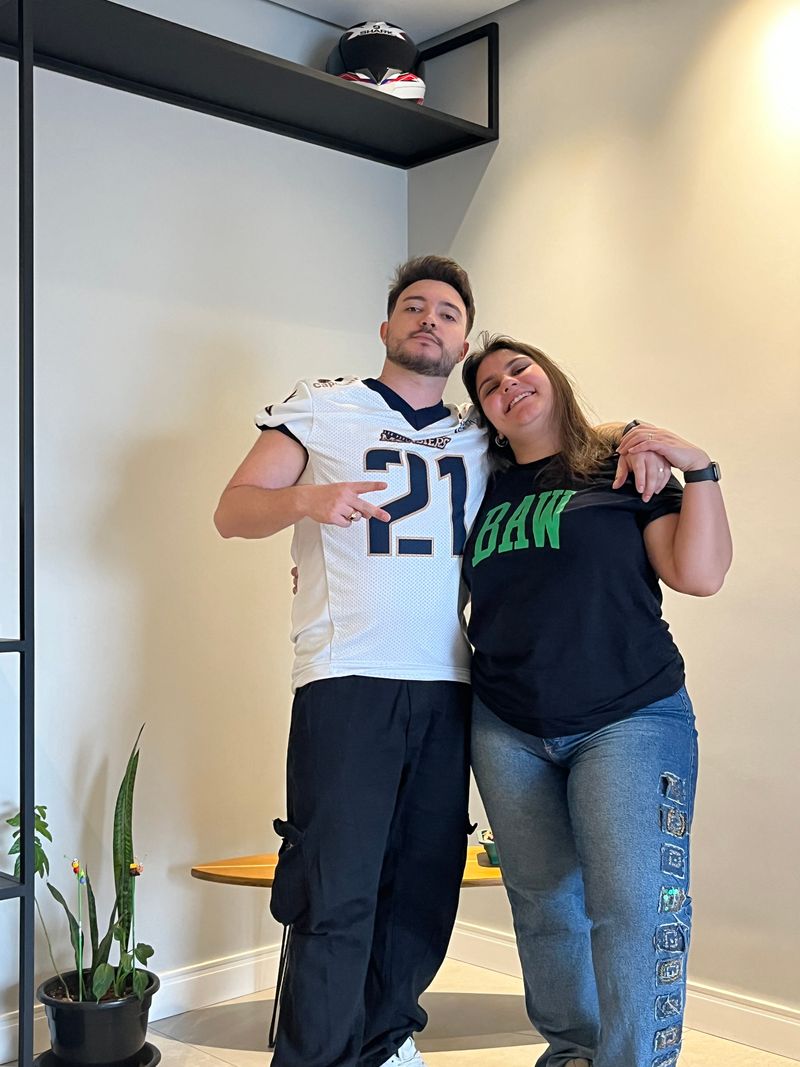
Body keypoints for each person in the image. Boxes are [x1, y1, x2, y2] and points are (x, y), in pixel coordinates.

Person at [213, 257, 666, 1067]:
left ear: (461, 345)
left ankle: (382, 1042)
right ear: (386, 327)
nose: (431, 319)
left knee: (423, 888)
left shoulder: (477, 434)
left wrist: (643, 443)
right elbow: (233, 510)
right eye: (415, 306)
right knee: (337, 886)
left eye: (449, 313)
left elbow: (559, 446)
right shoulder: (322, 405)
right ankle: (315, 1055)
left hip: (454, 687)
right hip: (347, 678)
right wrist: (308, 500)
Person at [460, 334, 732, 1067]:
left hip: (630, 715)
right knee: (543, 903)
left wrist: (699, 469)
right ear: (486, 415)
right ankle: (573, 1052)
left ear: (550, 376)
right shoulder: (479, 489)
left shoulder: (619, 467)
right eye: (489, 386)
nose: (508, 385)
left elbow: (699, 574)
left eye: (519, 369)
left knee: (635, 904)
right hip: (507, 723)